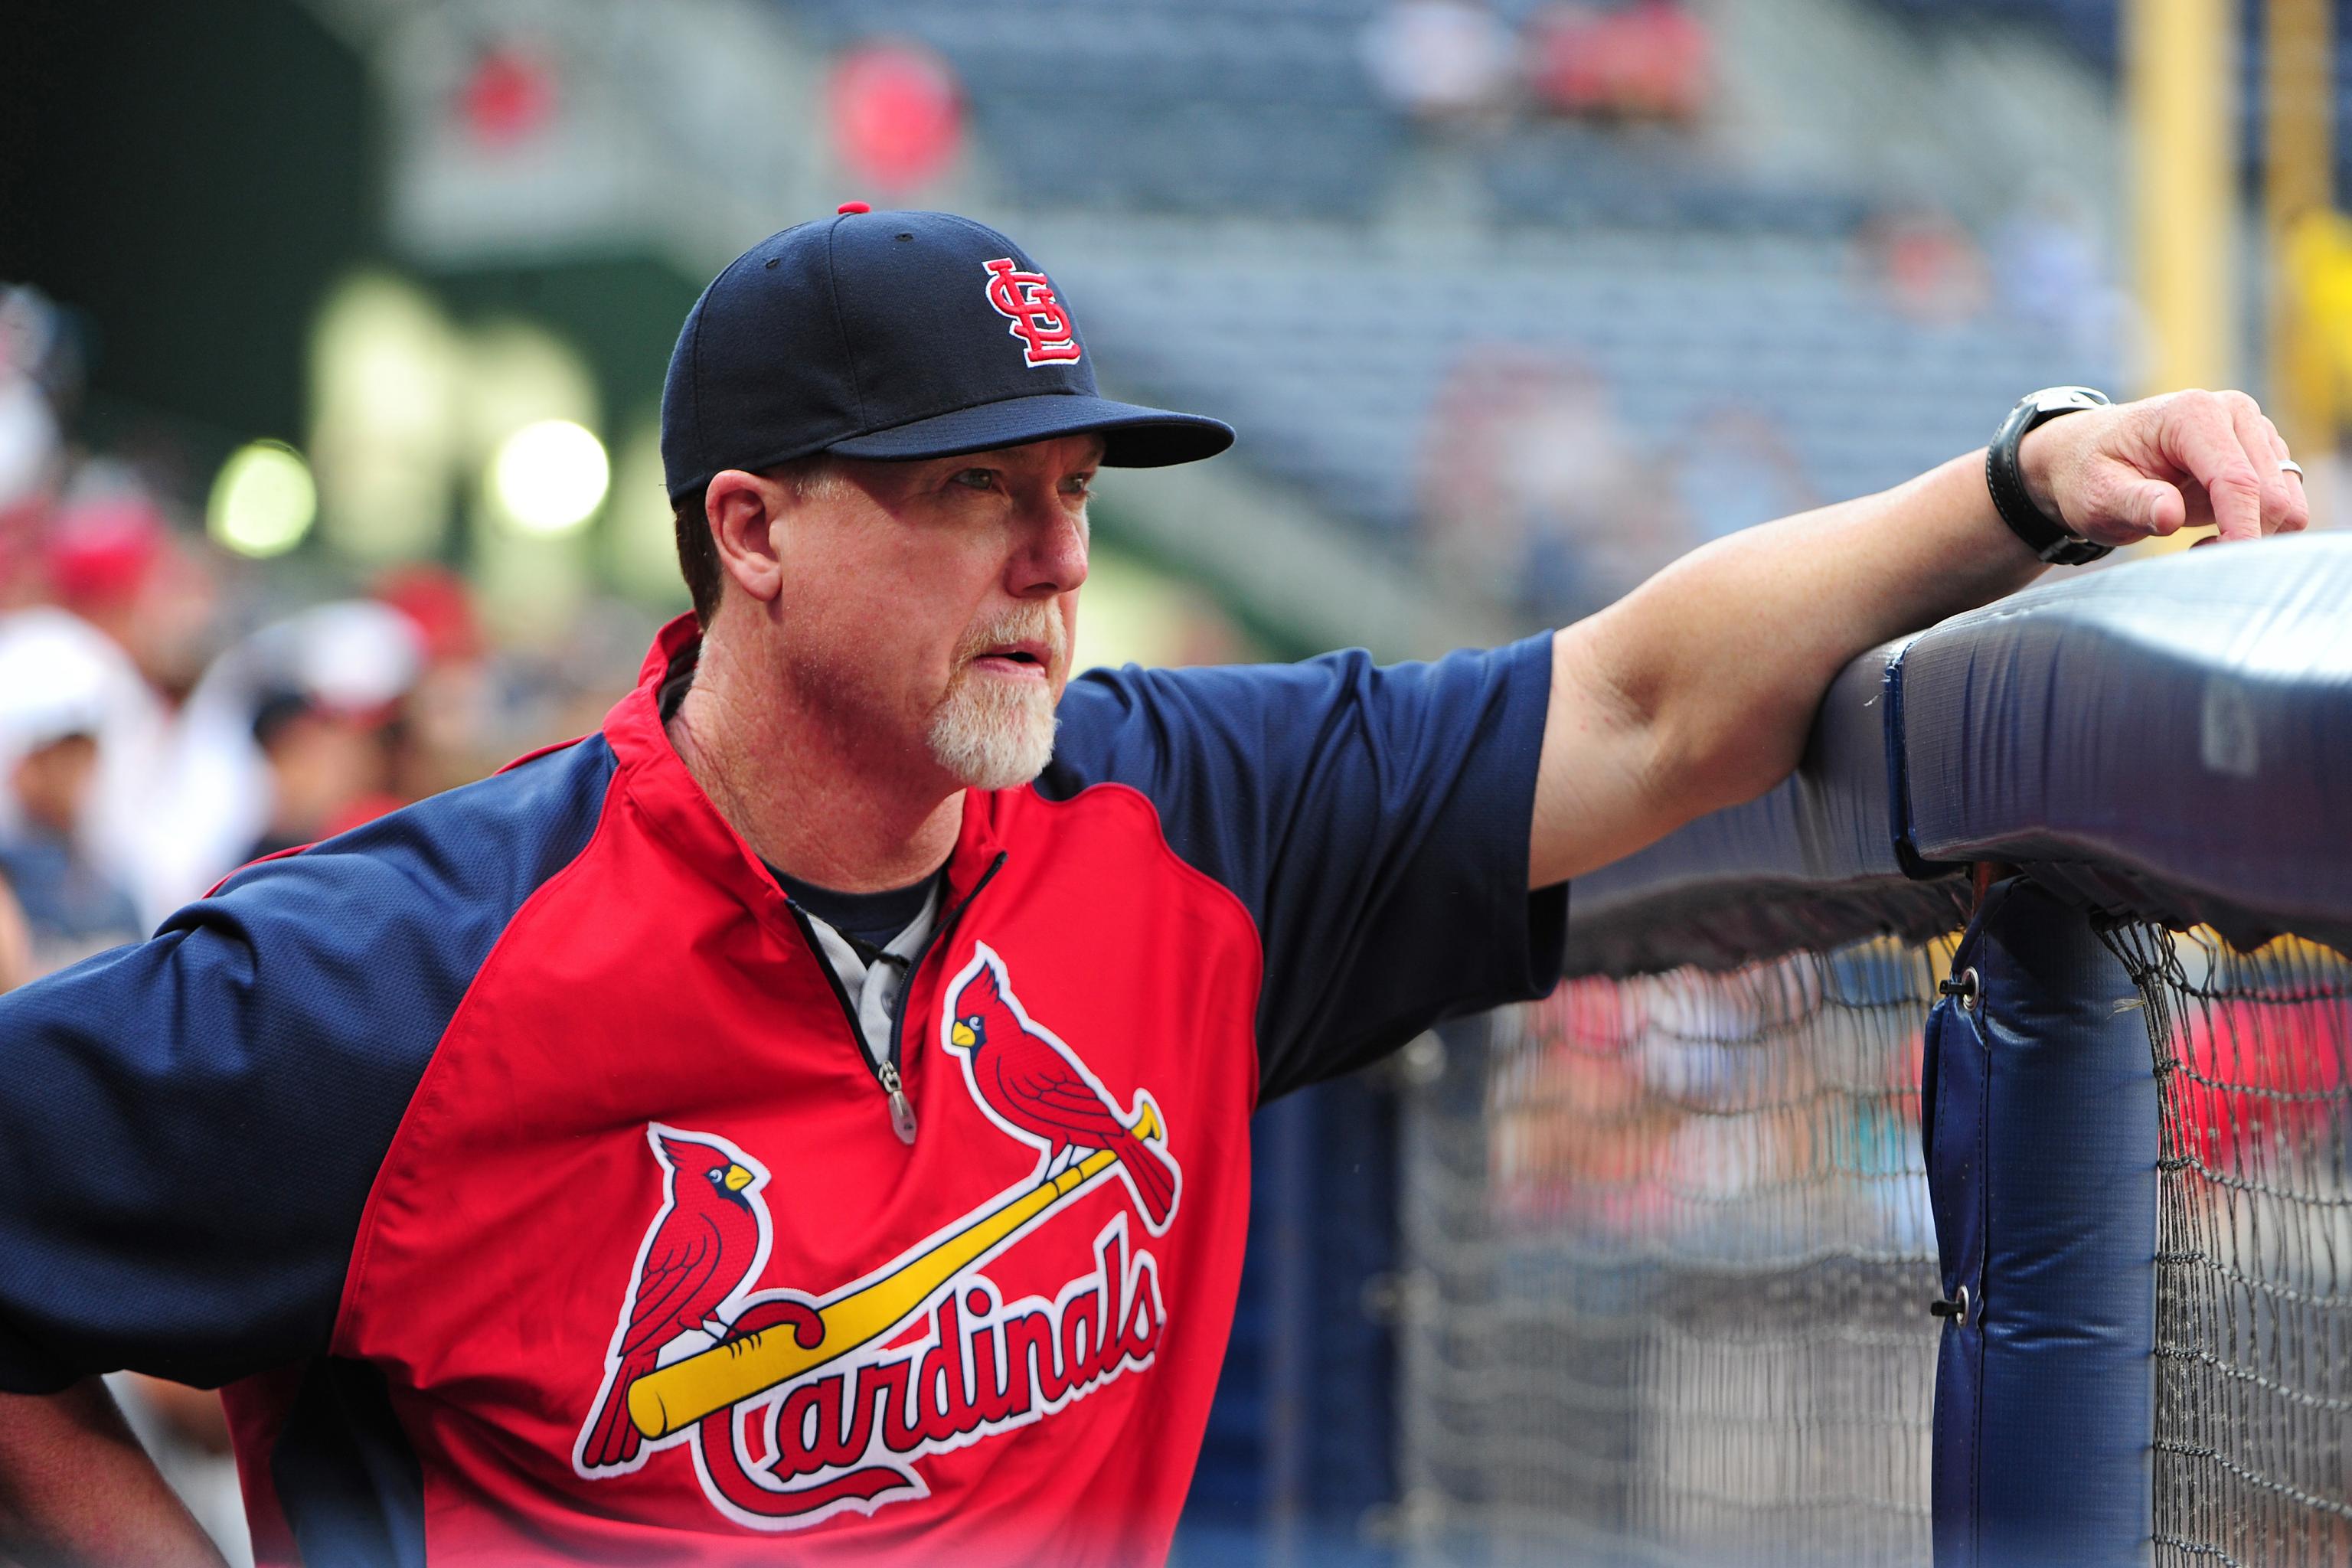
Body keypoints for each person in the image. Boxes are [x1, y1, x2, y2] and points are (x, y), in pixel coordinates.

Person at [0, 207, 2308, 1567]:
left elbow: (1624, 708)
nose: (1058, 548)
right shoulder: (398, 974)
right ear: (754, 536)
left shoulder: (1187, 816)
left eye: (1075, 480)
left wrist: (2006, 486)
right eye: (968, 487)